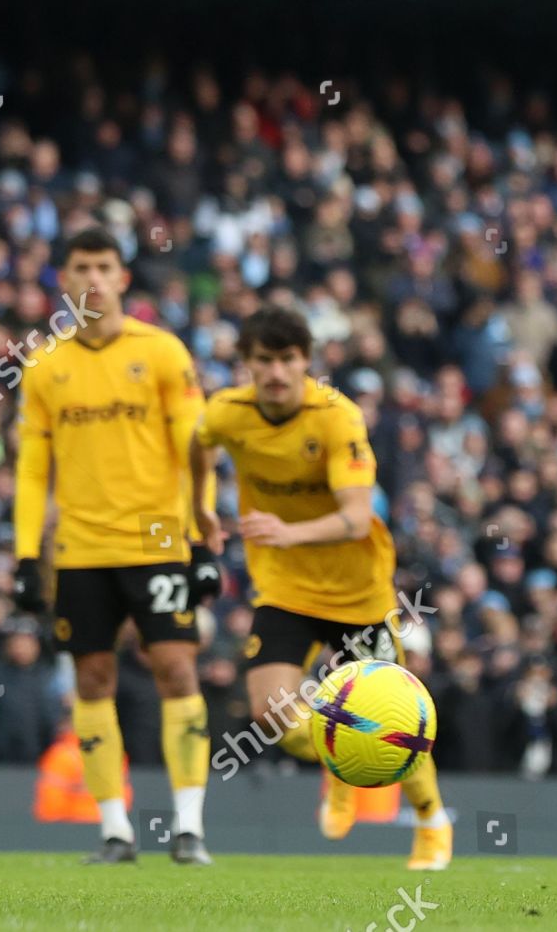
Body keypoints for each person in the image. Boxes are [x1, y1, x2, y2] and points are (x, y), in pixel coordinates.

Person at [189, 306, 452, 871]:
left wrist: (287, 531)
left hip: (359, 591)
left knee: (398, 721)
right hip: (284, 589)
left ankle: (432, 822)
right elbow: (199, 444)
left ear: (306, 361)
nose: (277, 372)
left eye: (287, 359)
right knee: (269, 715)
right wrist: (200, 508)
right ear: (247, 365)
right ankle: (342, 764)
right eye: (265, 360)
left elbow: (357, 518)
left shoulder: (336, 418)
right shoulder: (227, 413)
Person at [13, 226, 214, 865]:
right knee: (91, 680)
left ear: (123, 277)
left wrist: (202, 535)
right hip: (81, 551)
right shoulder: (45, 366)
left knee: (177, 669)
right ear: (65, 280)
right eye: (81, 267)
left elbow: (196, 451)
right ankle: (115, 832)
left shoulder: (162, 353)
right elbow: (30, 471)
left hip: (158, 542)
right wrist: (25, 554)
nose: (93, 278)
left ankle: (189, 828)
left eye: (104, 266)